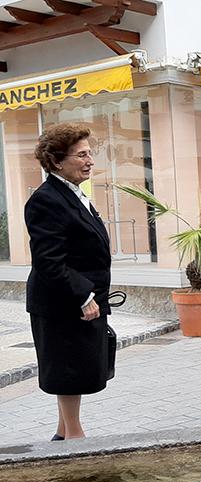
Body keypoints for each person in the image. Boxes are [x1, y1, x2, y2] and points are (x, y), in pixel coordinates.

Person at [25, 123, 112, 441]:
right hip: (61, 304)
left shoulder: (73, 194)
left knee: (74, 370)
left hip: (74, 300)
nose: (89, 160)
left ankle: (63, 433)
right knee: (68, 372)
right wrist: (83, 295)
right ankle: (76, 440)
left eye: (90, 153)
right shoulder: (46, 200)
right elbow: (49, 260)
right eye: (81, 155)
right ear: (58, 161)